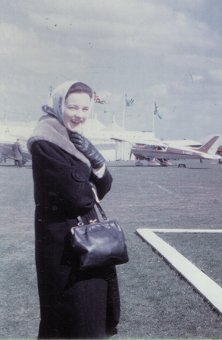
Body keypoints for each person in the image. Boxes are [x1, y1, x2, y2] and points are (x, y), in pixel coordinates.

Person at [28, 81, 121, 338]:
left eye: (84, 109)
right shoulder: (45, 139)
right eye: (72, 107)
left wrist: (99, 163)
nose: (79, 115)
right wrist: (91, 176)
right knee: (68, 317)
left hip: (86, 241)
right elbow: (79, 197)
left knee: (90, 316)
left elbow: (102, 187)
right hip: (61, 246)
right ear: (59, 105)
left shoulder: (73, 138)